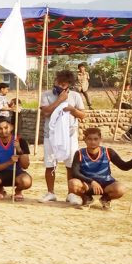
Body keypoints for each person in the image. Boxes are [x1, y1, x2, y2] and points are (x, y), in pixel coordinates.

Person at [39, 70, 87, 203]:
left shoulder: (76, 96)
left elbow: (83, 115)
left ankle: (71, 194)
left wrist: (72, 109)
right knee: (50, 164)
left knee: (71, 164)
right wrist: (59, 100)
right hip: (50, 135)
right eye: (58, 83)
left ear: (69, 85)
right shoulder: (47, 95)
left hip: (70, 135)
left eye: (63, 84)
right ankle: (50, 193)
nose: (60, 86)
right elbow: (45, 112)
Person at [67, 128, 132, 209]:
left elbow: (124, 166)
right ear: (84, 140)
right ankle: (86, 198)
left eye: (96, 139)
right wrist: (92, 182)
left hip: (106, 185)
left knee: (120, 189)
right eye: (89, 139)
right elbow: (75, 173)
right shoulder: (79, 153)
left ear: (100, 139)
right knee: (72, 184)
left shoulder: (108, 152)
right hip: (88, 185)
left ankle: (105, 199)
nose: (93, 142)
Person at [0, 117, 32, 201]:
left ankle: (18, 191)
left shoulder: (20, 141)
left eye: (6, 128)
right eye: (0, 128)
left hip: (17, 172)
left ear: (11, 127)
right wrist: (10, 162)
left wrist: (19, 149)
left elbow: (25, 165)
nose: (3, 131)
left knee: (26, 181)